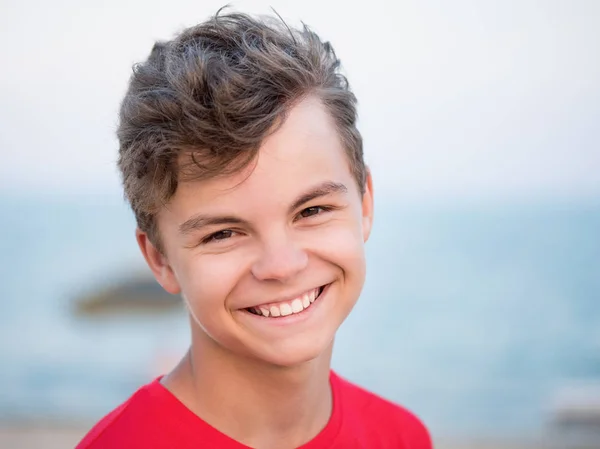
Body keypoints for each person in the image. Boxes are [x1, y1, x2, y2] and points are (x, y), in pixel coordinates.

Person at [76, 8, 432, 449]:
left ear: (364, 203)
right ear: (160, 259)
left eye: (312, 211)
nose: (281, 266)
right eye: (222, 233)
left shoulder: (401, 437)